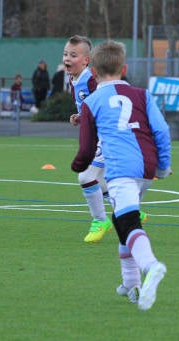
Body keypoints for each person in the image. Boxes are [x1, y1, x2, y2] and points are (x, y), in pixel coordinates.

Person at [71, 40, 171, 311]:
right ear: (124, 69)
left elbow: (87, 148)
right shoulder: (143, 95)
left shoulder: (92, 101)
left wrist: (79, 165)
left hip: (120, 170)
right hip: (146, 167)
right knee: (121, 219)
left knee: (128, 223)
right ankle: (130, 282)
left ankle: (150, 266)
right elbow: (161, 130)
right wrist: (163, 166)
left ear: (93, 72)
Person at [64, 35, 113, 243]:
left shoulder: (92, 79)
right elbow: (87, 107)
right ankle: (129, 210)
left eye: (73, 55)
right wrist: (79, 116)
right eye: (65, 54)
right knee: (99, 181)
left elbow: (104, 103)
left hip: (106, 135)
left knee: (85, 177)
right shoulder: (73, 79)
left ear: (86, 60)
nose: (67, 58)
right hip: (95, 136)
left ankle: (101, 220)